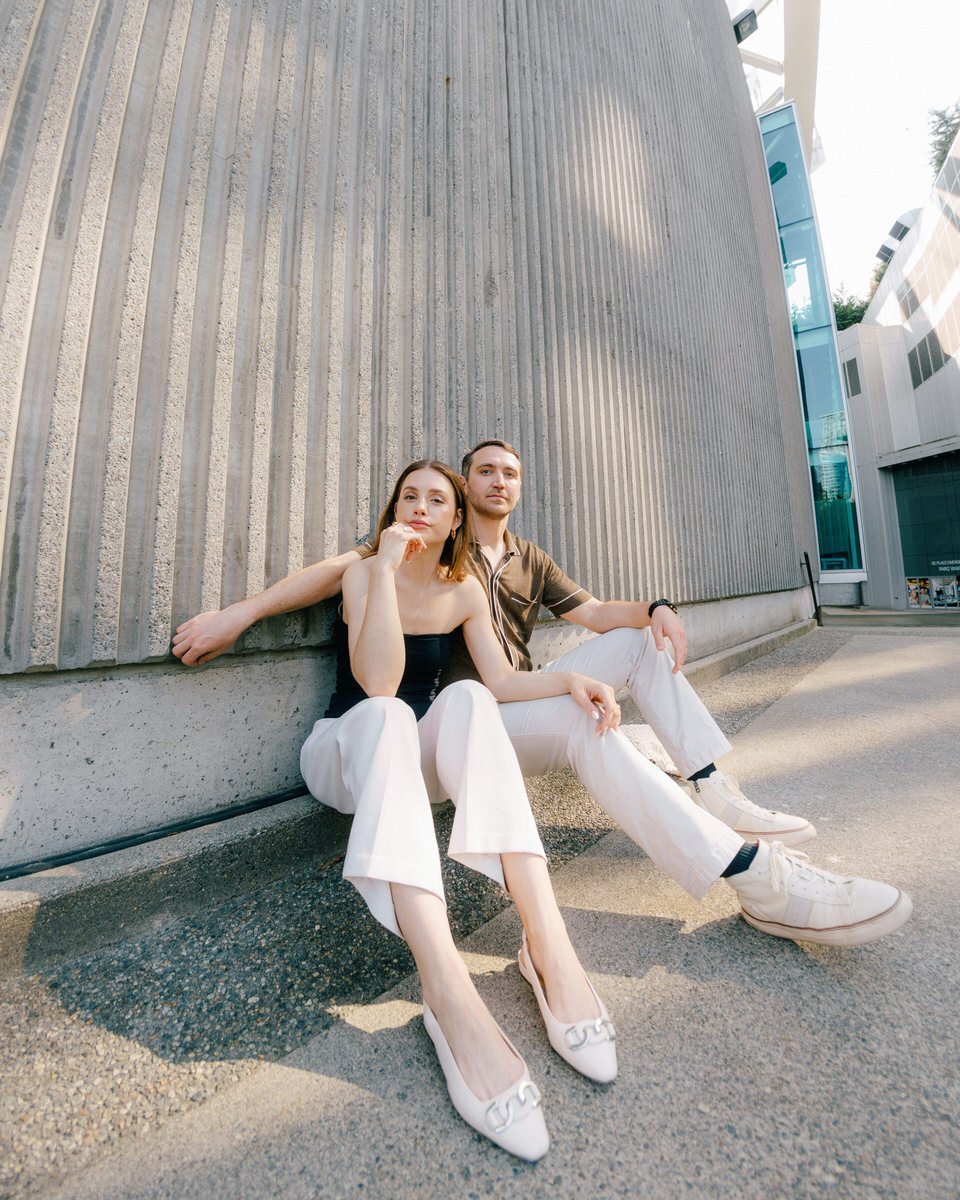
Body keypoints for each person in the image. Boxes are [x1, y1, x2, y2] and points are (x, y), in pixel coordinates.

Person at [173, 441, 912, 948]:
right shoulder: (373, 564)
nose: (488, 485)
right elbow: (345, 625)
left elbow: (563, 637)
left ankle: (733, 838)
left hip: (481, 716)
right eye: (421, 494)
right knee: (528, 717)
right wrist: (234, 616)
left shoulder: (498, 571)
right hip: (423, 730)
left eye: (504, 475)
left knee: (599, 695)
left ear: (464, 509)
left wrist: (634, 625)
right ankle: (730, 846)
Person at [292, 459, 620, 1160]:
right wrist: (381, 568)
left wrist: (572, 680)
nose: (419, 506)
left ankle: (547, 945)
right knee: (387, 715)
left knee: (468, 698)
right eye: (407, 496)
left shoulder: (464, 587)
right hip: (345, 752)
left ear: (455, 519)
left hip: (410, 760)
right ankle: (448, 994)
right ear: (392, 510)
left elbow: (500, 682)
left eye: (435, 499)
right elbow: (377, 681)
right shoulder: (361, 575)